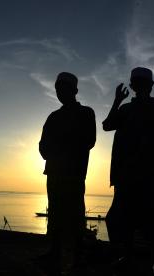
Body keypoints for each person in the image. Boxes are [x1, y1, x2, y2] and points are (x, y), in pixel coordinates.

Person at [103, 67, 154, 274]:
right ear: (132, 86)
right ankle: (128, 257)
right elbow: (107, 125)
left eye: (144, 83)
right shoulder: (124, 109)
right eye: (136, 84)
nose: (140, 87)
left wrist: (140, 101)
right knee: (122, 220)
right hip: (125, 174)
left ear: (151, 86)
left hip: (150, 173)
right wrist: (117, 101)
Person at [39, 72, 96, 274]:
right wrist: (57, 149)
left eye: (64, 89)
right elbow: (42, 146)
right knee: (54, 212)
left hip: (74, 173)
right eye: (58, 89)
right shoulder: (53, 117)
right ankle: (54, 251)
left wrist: (60, 147)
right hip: (54, 172)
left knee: (75, 214)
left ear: (74, 91)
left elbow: (89, 140)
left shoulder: (86, 113)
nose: (60, 92)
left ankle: (78, 255)